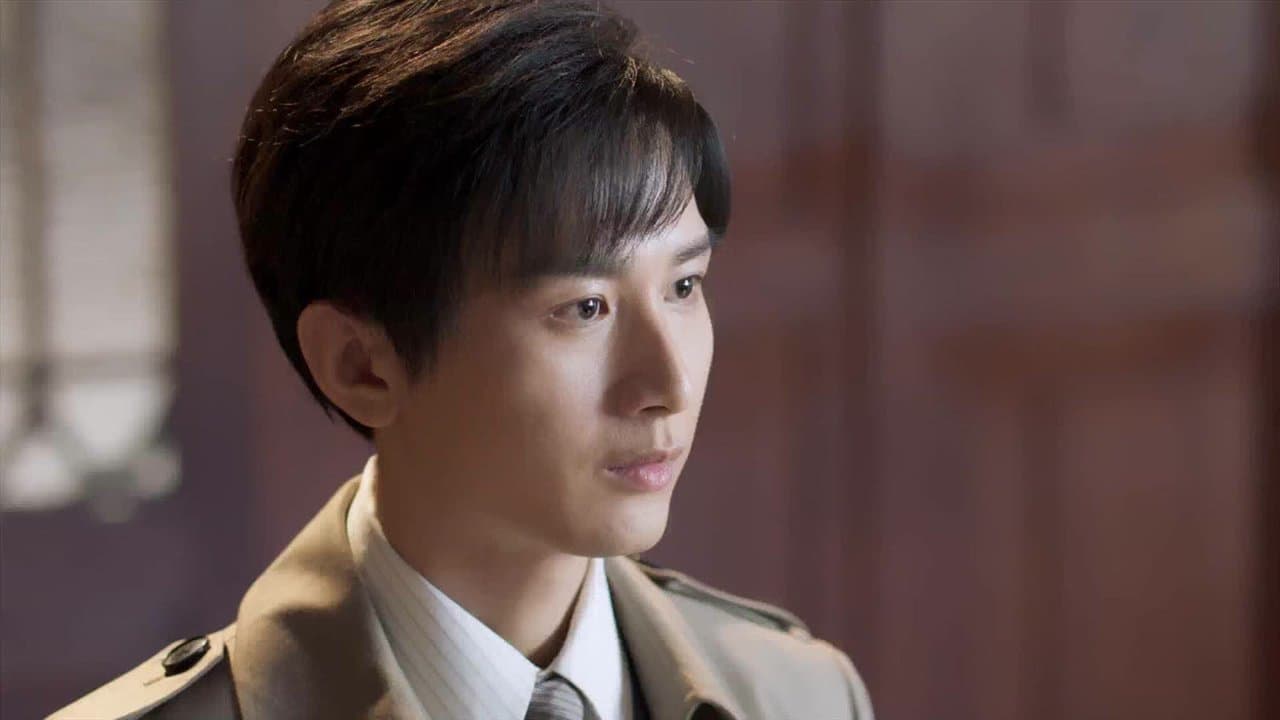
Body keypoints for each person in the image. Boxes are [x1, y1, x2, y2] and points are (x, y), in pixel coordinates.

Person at [49, 1, 874, 718]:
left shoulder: (801, 696)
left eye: (684, 286)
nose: (669, 385)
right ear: (362, 366)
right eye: (584, 308)